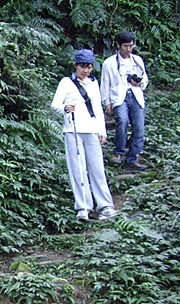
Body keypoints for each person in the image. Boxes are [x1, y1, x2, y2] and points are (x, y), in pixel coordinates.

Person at [51, 49, 119, 221]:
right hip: (73, 130)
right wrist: (66, 108)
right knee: (77, 169)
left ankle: (105, 206)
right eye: (82, 66)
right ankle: (83, 207)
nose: (86, 70)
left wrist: (102, 130)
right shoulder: (66, 82)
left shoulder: (94, 83)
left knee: (97, 168)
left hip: (92, 130)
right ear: (75, 65)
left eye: (89, 67)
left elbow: (97, 109)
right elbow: (55, 105)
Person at [100, 31, 148, 172]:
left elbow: (145, 79)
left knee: (139, 127)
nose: (128, 49)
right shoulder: (109, 63)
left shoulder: (137, 60)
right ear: (118, 45)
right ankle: (119, 152)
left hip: (136, 95)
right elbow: (105, 84)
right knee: (122, 120)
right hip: (119, 96)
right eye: (125, 46)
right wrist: (107, 103)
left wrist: (139, 83)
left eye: (131, 46)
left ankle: (133, 158)